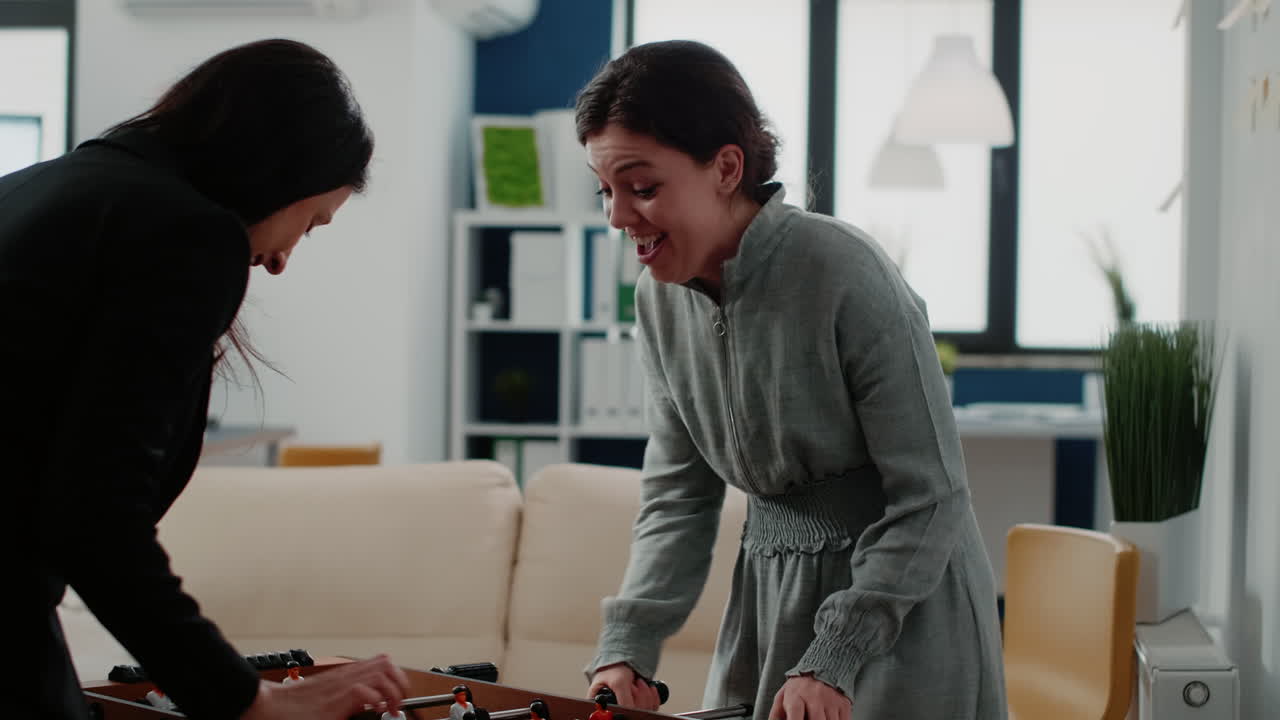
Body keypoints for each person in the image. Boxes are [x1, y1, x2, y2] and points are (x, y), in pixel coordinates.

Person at [575, 40, 1008, 720]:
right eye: (606, 190)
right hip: (768, 600)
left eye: (643, 188)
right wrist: (626, 647)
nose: (617, 217)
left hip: (905, 609)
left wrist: (837, 653)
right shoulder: (657, 301)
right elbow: (678, 497)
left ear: (726, 168)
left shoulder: (846, 272)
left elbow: (933, 496)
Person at [8, 39, 410, 719]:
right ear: (282, 173)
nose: (282, 259)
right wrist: (247, 700)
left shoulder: (34, 186)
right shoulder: (186, 233)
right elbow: (94, 517)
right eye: (311, 224)